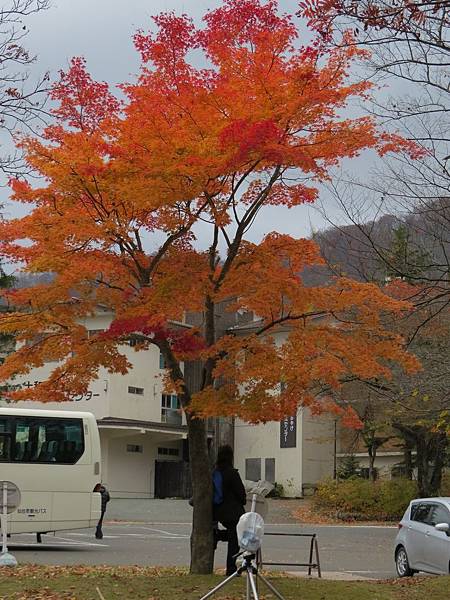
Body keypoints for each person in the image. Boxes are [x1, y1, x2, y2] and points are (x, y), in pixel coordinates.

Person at [213, 445, 246, 576]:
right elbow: (241, 494)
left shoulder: (215, 472)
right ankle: (231, 569)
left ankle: (218, 535)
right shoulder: (232, 473)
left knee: (234, 535)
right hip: (233, 512)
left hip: (218, 511)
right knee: (236, 539)